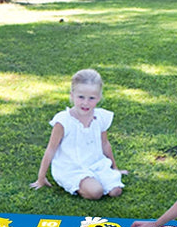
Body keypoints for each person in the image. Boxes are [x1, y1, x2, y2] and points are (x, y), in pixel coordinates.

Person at [30, 69, 127, 199]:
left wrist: (114, 168)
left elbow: (105, 144)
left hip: (95, 163)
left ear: (98, 98)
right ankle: (86, 184)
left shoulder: (101, 117)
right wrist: (41, 178)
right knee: (96, 192)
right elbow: (51, 149)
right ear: (72, 95)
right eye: (81, 97)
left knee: (116, 191)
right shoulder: (64, 121)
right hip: (72, 167)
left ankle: (100, 179)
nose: (85, 103)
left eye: (91, 98)